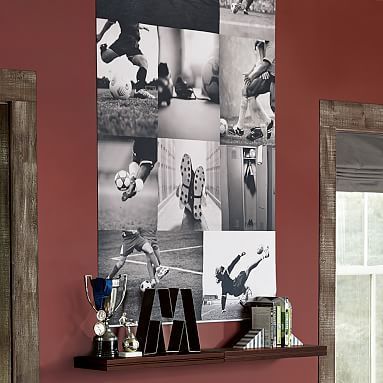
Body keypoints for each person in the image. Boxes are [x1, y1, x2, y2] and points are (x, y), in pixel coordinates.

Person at [97, 18, 154, 99]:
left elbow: (131, 22)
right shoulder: (121, 7)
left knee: (143, 62)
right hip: (124, 41)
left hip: (134, 44)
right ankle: (103, 49)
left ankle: (139, 90)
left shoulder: (136, 9)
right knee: (105, 58)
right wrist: (100, 35)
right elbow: (110, 21)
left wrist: (138, 26)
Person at [231, 40, 275, 141]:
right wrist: (251, 73)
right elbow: (258, 63)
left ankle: (242, 126)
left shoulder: (271, 43)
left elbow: (264, 64)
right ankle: (255, 128)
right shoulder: (260, 43)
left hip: (272, 75)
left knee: (273, 105)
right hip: (267, 73)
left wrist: (254, 75)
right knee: (248, 90)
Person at [215, 246, 269, 313]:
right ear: (221, 273)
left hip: (236, 286)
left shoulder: (223, 282)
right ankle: (264, 256)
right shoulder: (225, 278)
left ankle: (244, 297)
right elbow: (233, 263)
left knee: (247, 272)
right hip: (236, 287)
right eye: (222, 270)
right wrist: (240, 255)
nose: (224, 269)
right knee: (248, 268)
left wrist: (223, 308)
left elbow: (223, 297)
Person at [122, 137, 157, 201]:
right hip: (150, 141)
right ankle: (135, 185)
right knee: (146, 163)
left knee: (135, 162)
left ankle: (133, 180)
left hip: (138, 142)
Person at [176, 153, 206, 221]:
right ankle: (196, 199)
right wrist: (203, 195)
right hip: (194, 198)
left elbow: (177, 195)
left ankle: (190, 200)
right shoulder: (196, 178)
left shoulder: (188, 180)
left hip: (188, 200)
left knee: (184, 204)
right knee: (198, 195)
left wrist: (179, 190)